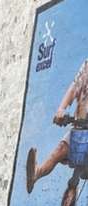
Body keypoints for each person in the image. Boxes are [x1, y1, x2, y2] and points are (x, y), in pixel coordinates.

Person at [26, 59, 88, 193]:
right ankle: (36, 173)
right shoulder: (87, 64)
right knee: (60, 150)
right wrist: (61, 109)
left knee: (80, 172)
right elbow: (74, 87)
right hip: (81, 129)